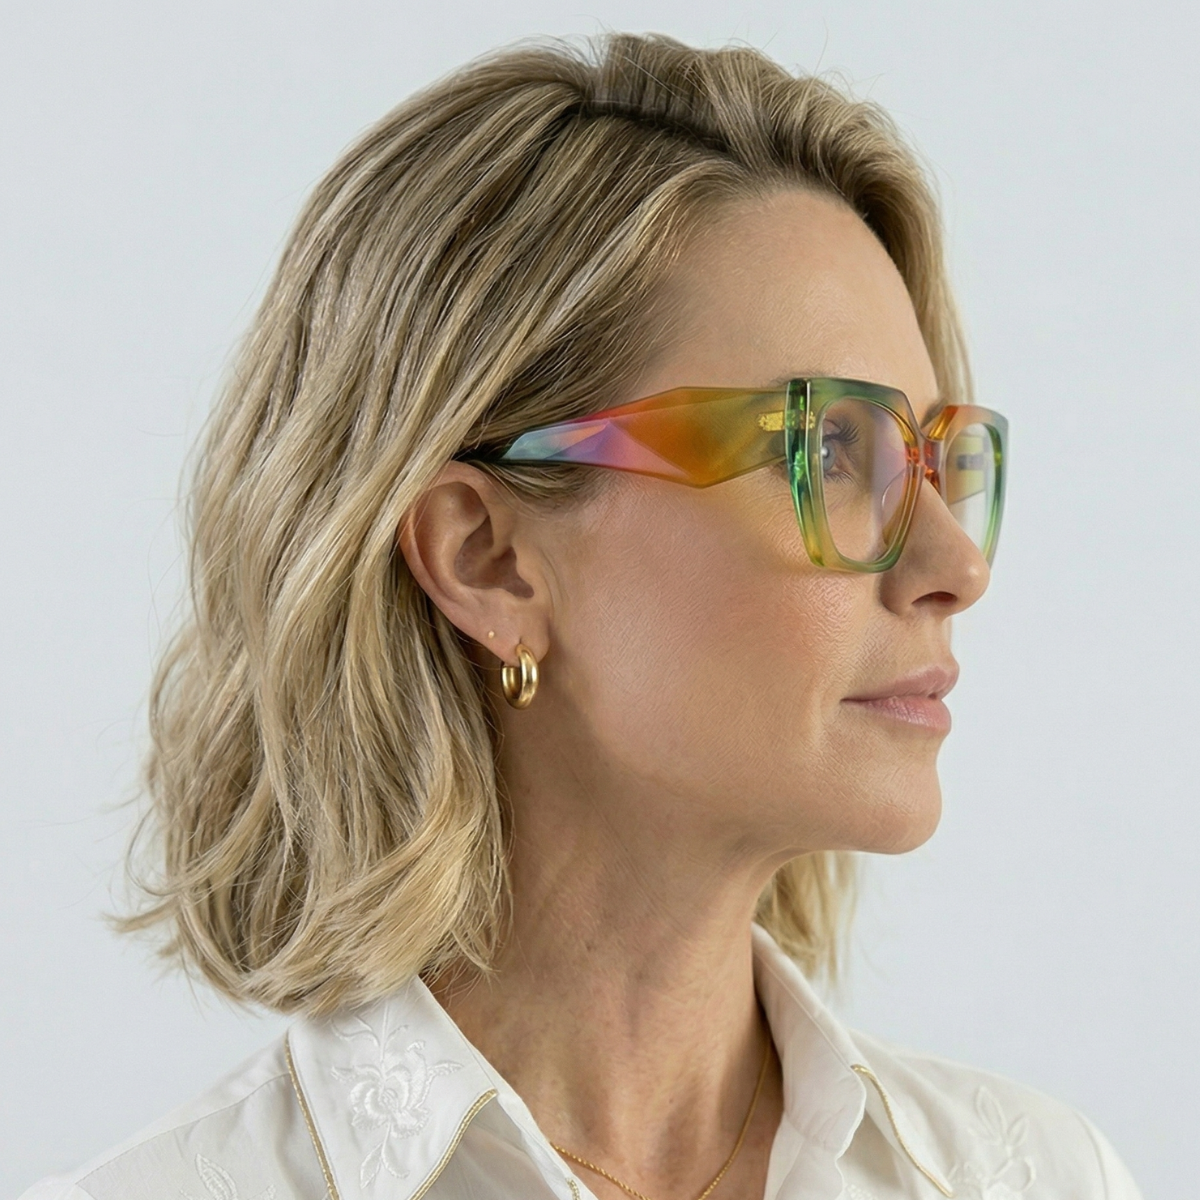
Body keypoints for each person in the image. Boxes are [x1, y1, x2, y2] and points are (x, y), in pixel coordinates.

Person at [21, 32, 1142, 1200]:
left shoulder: (1038, 1177)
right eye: (827, 451)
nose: (958, 564)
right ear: (488, 559)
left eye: (937, 462)